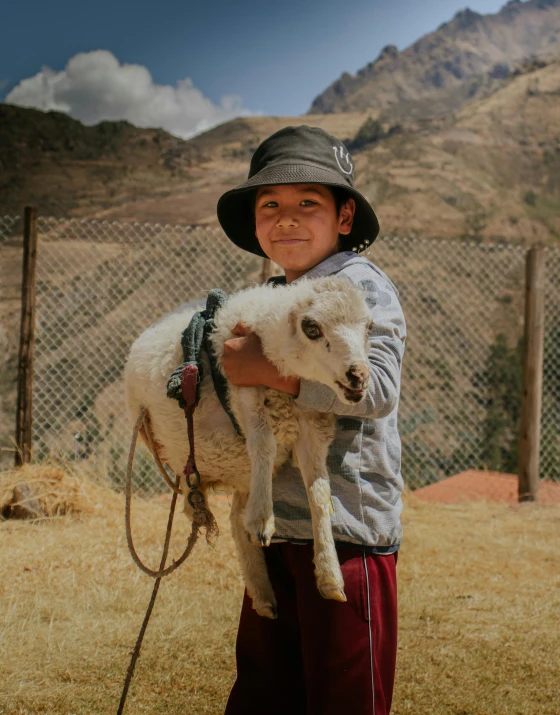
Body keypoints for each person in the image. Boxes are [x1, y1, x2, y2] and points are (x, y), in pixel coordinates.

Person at [216, 125, 406, 715]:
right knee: (268, 690)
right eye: (270, 204)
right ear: (254, 223)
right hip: (274, 525)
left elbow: (376, 389)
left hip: (346, 531)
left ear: (344, 217)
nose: (287, 219)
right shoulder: (275, 295)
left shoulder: (360, 287)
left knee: (342, 697)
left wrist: (272, 371)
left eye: (308, 204)